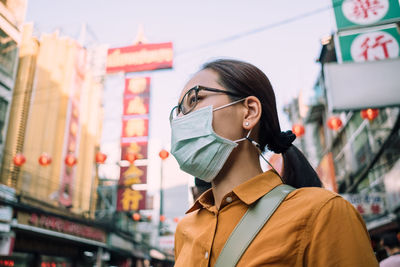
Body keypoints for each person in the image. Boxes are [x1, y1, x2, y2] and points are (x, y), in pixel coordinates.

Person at [169, 59, 378, 266]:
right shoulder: (185, 229)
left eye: (195, 99)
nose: (181, 120)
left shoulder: (323, 213)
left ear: (249, 111)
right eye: (178, 111)